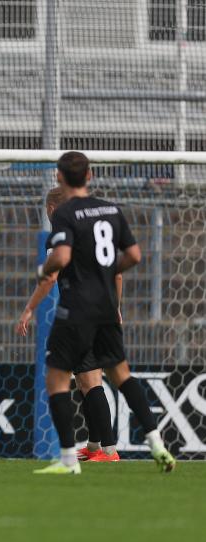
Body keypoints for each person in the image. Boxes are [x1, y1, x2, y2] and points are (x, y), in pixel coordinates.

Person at [34, 151, 175, 475]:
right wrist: (107, 272)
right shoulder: (111, 210)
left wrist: (45, 268)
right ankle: (156, 442)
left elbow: (62, 256)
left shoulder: (67, 213)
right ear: (90, 176)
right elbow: (135, 256)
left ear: (59, 177)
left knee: (56, 378)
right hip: (107, 308)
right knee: (121, 375)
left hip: (78, 308)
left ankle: (69, 460)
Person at [16, 187, 120, 462]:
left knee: (89, 381)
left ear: (51, 209)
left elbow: (50, 279)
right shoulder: (92, 235)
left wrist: (29, 309)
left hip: (80, 316)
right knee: (89, 381)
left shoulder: (60, 235)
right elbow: (116, 273)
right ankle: (96, 446)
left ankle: (109, 450)